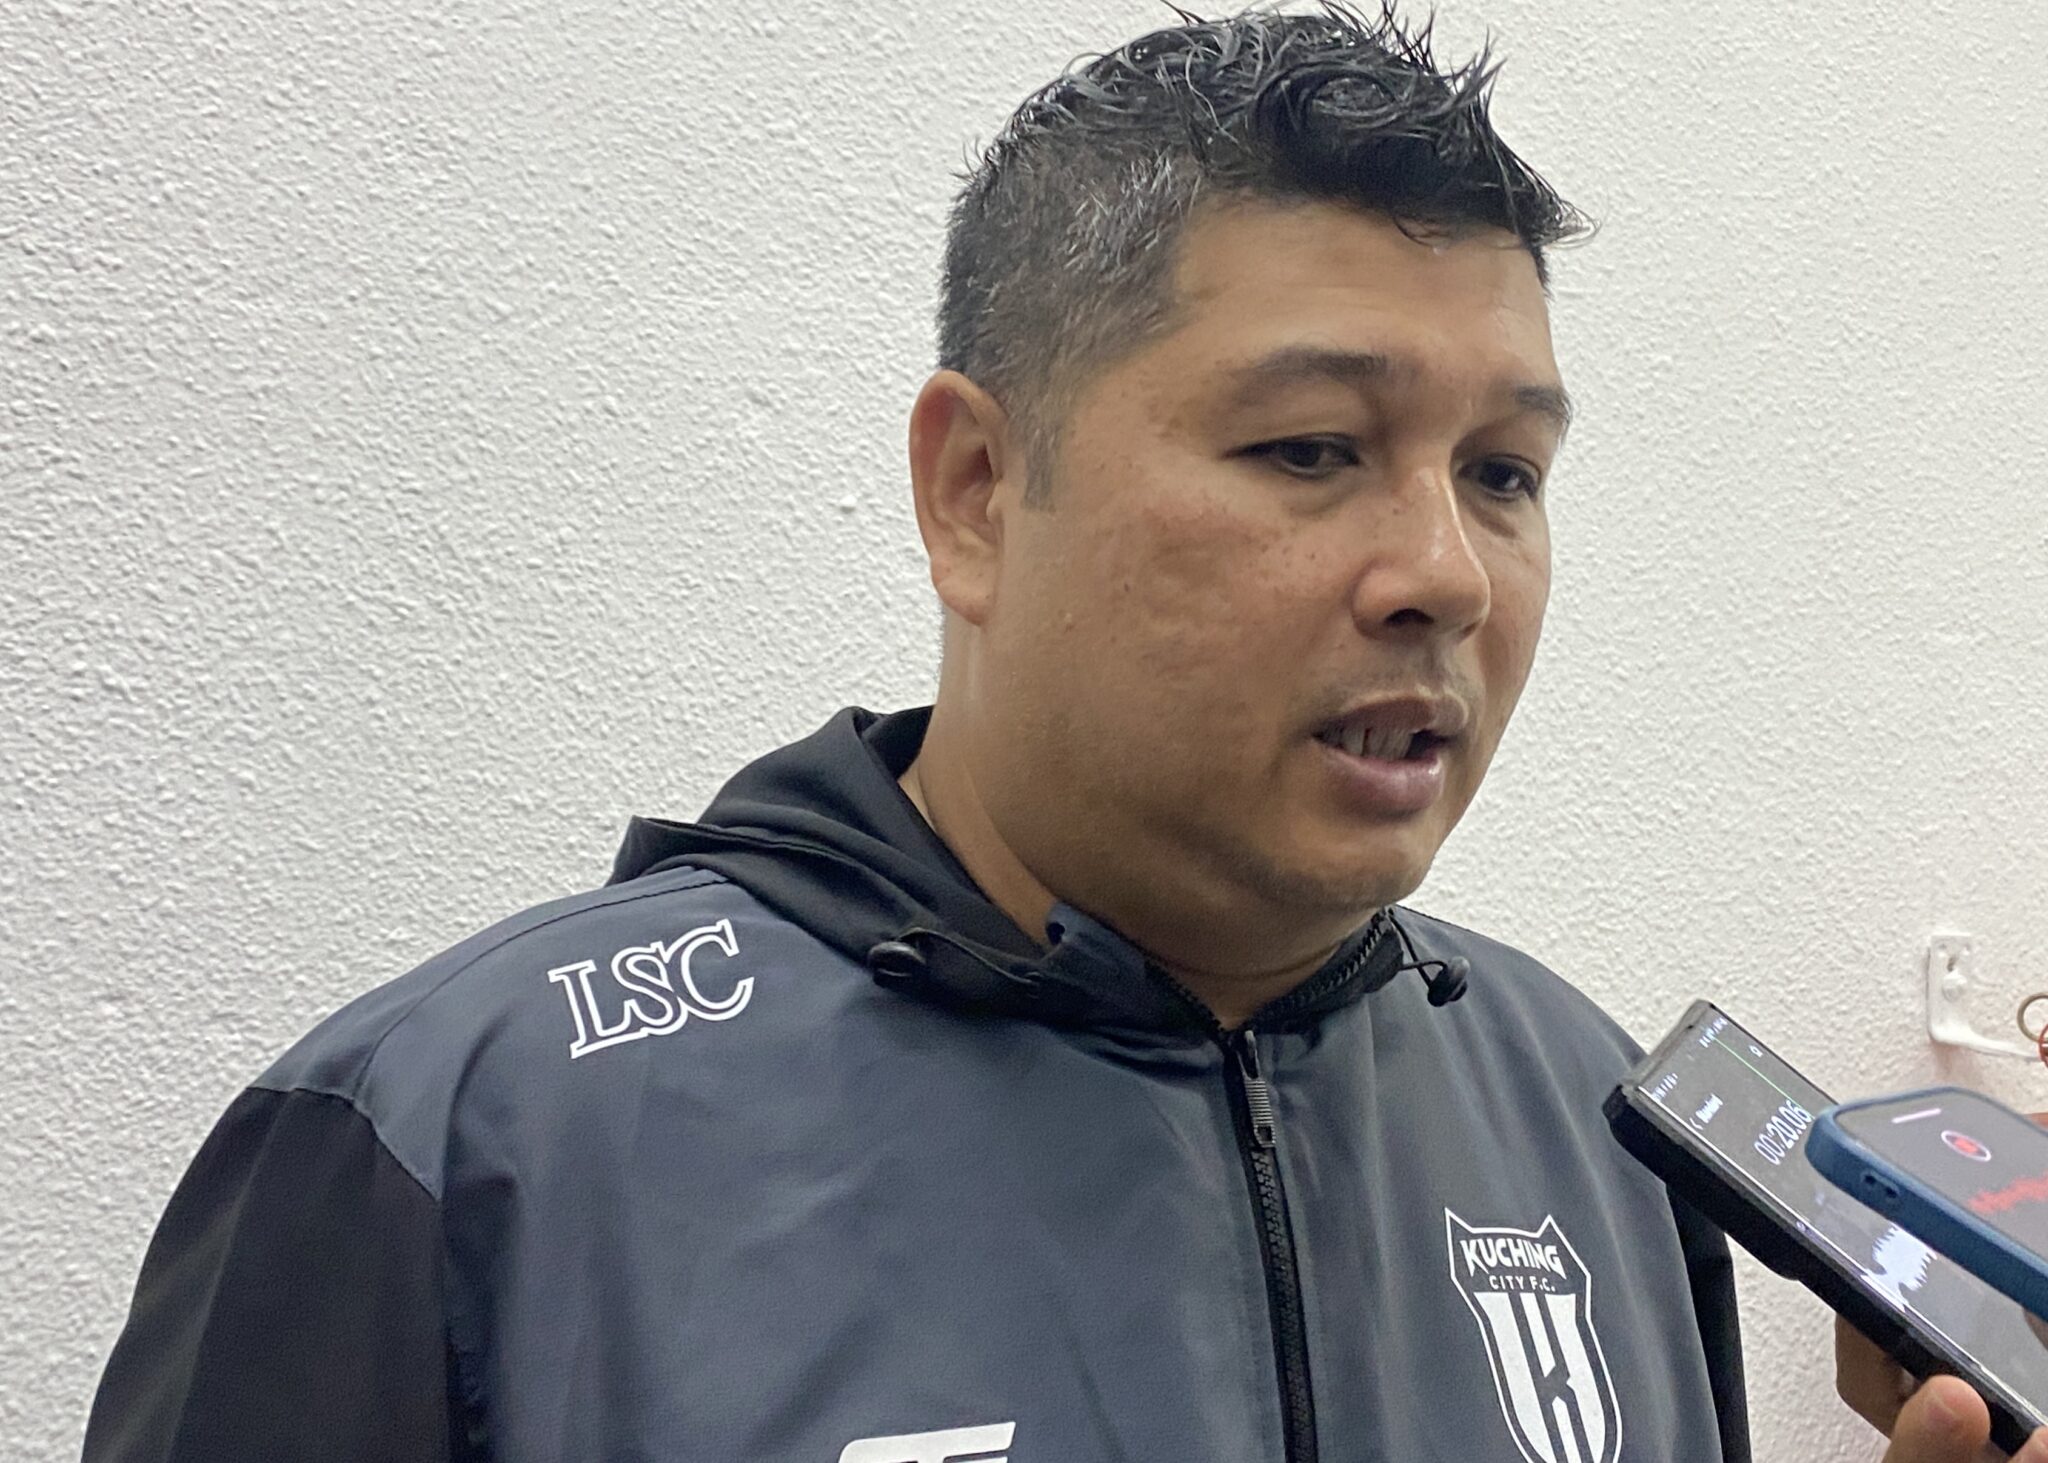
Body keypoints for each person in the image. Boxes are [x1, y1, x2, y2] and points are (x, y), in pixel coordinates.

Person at [78, 6, 2046, 1461]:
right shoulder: (455, 1147)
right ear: (972, 493)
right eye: (1311, 448)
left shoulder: (1589, 1118)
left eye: (1505, 473)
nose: (1443, 573)